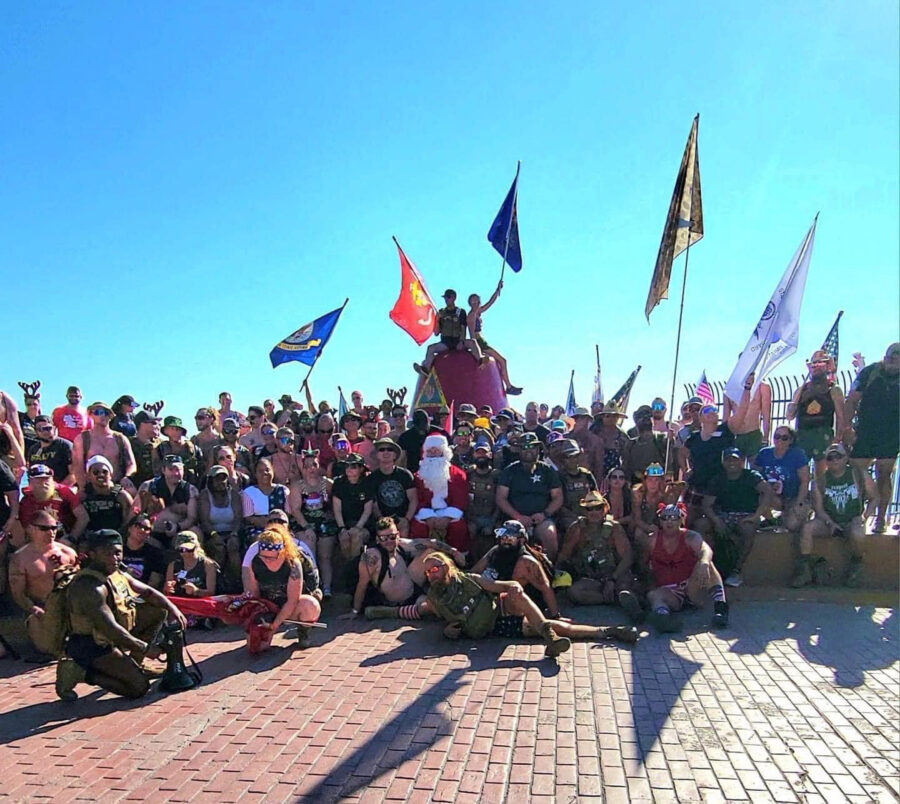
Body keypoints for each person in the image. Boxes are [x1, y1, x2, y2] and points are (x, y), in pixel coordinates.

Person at [420, 553, 637, 657]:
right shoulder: (434, 598)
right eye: (428, 572)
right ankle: (605, 632)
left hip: (501, 609)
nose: (432, 575)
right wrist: (445, 632)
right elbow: (415, 612)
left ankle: (609, 631)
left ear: (446, 566)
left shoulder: (469, 579)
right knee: (558, 627)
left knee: (517, 596)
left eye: (435, 568)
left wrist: (514, 585)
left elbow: (498, 585)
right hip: (491, 629)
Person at [57, 529, 188, 701]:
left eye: (117, 552)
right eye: (107, 554)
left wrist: (173, 608)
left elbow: (148, 592)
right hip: (91, 644)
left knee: (157, 611)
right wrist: (146, 649)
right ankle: (79, 671)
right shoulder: (89, 587)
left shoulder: (116, 572)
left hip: (109, 636)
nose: (114, 558)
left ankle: (134, 664)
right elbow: (111, 629)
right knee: (138, 688)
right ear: (93, 554)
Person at [341, 517, 465, 621]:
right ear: (378, 539)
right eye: (384, 538)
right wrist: (355, 611)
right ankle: (393, 612)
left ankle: (459, 586)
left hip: (413, 588)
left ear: (398, 535)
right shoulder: (371, 557)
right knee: (432, 608)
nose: (389, 541)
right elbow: (361, 586)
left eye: (392, 537)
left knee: (431, 553)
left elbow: (431, 542)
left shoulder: (402, 545)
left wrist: (454, 552)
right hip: (396, 600)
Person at [635, 503, 729, 633]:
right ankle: (663, 619)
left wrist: (704, 562)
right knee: (654, 595)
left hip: (692, 587)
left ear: (681, 520)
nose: (669, 521)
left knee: (707, 563)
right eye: (665, 518)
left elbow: (706, 550)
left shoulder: (691, 536)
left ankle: (721, 607)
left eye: (674, 517)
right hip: (669, 591)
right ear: (660, 522)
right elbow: (643, 564)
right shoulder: (652, 540)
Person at [794, 443, 875, 588]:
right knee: (807, 528)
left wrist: (864, 517)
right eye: (830, 457)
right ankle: (804, 570)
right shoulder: (820, 481)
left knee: (858, 533)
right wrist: (830, 524)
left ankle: (856, 565)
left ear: (846, 458)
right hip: (829, 521)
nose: (834, 460)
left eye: (838, 456)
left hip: (852, 520)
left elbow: (875, 498)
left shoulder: (858, 474)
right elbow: (819, 510)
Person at [701, 448, 778, 587]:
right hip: (723, 515)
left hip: (746, 515)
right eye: (728, 459)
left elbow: (768, 492)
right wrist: (716, 520)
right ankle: (707, 569)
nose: (731, 463)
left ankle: (736, 571)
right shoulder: (718, 479)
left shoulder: (752, 476)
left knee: (748, 529)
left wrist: (756, 516)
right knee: (701, 525)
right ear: (723, 462)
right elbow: (707, 505)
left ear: (742, 462)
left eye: (735, 459)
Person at [844, 342, 900, 532]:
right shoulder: (870, 372)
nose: (893, 362)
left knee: (884, 474)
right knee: (857, 473)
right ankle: (856, 515)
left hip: (891, 434)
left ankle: (881, 518)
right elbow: (852, 399)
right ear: (885, 358)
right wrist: (846, 427)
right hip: (865, 431)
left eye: (897, 359)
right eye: (890, 358)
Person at [8, 508, 79, 655]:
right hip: (42, 608)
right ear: (30, 529)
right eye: (44, 528)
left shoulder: (68, 553)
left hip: (70, 606)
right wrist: (32, 608)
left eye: (54, 528)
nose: (51, 532)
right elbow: (18, 593)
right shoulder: (21, 558)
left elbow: (81, 583)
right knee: (48, 649)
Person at [243, 524, 321, 650]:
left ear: (282, 552)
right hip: (267, 606)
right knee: (256, 648)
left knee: (310, 605)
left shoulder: (293, 564)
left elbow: (292, 601)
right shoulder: (254, 562)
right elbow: (253, 596)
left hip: (291, 606)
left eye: (271, 557)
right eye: (264, 556)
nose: (267, 560)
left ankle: (303, 632)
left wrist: (275, 625)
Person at [557, 492, 634, 607]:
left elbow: (628, 557)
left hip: (615, 575)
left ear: (604, 509)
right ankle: (612, 599)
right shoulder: (576, 528)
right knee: (575, 592)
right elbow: (564, 556)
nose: (593, 512)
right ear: (584, 511)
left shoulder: (615, 528)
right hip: (591, 579)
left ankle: (628, 601)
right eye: (589, 509)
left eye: (597, 508)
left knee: (626, 587)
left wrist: (613, 579)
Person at [472, 520, 561, 618]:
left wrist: (555, 615)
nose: (505, 540)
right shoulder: (495, 551)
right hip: (486, 598)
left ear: (521, 540)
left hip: (512, 609)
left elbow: (546, 588)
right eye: (503, 536)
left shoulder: (526, 562)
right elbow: (473, 572)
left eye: (510, 537)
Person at [496, 432, 563, 560]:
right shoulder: (510, 471)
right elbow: (500, 498)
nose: (529, 450)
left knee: (549, 534)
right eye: (524, 447)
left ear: (538, 449)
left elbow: (558, 497)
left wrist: (545, 514)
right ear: (519, 450)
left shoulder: (548, 471)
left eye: (532, 447)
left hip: (542, 518)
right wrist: (518, 517)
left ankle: (550, 570)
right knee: (508, 539)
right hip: (515, 519)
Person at [787, 350, 846, 480]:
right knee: (800, 474)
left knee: (822, 476)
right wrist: (795, 401)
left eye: (820, 363)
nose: (816, 367)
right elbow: (790, 416)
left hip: (823, 435)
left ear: (827, 366)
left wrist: (837, 439)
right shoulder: (801, 389)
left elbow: (841, 417)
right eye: (814, 363)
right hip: (803, 434)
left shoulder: (833, 389)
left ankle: (819, 498)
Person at [410, 434, 470, 552]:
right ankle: (420, 559)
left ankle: (458, 557)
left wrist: (447, 517)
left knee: (458, 528)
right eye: (430, 449)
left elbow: (460, 499)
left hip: (449, 513)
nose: (433, 452)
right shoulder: (419, 475)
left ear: (443, 451)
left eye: (436, 449)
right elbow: (418, 499)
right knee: (419, 528)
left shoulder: (457, 474)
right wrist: (428, 517)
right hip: (427, 513)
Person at [291, 451, 338, 598]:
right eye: (307, 466)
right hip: (304, 522)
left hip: (325, 522)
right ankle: (313, 587)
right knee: (309, 554)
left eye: (314, 465)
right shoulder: (297, 486)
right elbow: (295, 510)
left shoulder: (328, 484)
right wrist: (306, 527)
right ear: (303, 469)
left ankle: (327, 588)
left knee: (325, 556)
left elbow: (334, 504)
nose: (311, 469)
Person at [752, 425, 811, 535]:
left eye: (784, 438)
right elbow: (755, 476)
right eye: (777, 436)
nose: (779, 440)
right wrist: (768, 485)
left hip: (794, 496)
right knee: (759, 494)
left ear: (791, 440)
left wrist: (799, 503)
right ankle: (771, 520)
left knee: (792, 525)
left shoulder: (798, 454)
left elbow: (805, 481)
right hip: (773, 497)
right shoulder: (764, 453)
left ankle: (787, 517)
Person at [466, 285, 522, 395]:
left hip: (482, 341)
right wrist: (477, 349)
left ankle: (508, 384)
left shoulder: (478, 312)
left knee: (501, 361)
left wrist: (497, 291)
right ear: (470, 304)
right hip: (479, 342)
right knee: (502, 360)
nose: (476, 304)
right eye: (474, 302)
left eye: (478, 302)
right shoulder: (472, 315)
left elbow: (490, 303)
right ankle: (509, 386)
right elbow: (472, 334)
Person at [136, 454, 200, 547]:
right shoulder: (148, 486)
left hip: (178, 533)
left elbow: (192, 518)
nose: (175, 473)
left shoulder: (190, 490)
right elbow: (136, 513)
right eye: (171, 469)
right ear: (163, 470)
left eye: (178, 469)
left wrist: (177, 526)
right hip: (151, 533)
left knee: (196, 531)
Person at [71, 401, 137, 490]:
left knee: (131, 493)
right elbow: (77, 467)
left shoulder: (120, 438)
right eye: (98, 412)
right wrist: (83, 488)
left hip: (116, 485)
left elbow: (131, 464)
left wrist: (126, 477)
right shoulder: (82, 438)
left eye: (106, 413)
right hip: (92, 487)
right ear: (91, 415)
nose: (103, 415)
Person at [70, 456, 134, 547]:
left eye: (105, 472)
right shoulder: (83, 496)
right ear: (89, 476)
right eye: (96, 472)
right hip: (91, 540)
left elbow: (129, 521)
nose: (101, 475)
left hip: (115, 540)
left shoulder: (121, 495)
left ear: (111, 475)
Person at [17, 463, 86, 540]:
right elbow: (27, 529)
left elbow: (83, 517)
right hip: (39, 541)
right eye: (39, 480)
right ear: (30, 483)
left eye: (47, 479)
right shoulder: (26, 502)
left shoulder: (65, 492)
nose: (44, 483)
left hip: (66, 538)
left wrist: (71, 538)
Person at [368, 438, 417, 537]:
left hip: (404, 518)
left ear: (395, 455)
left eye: (390, 449)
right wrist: (382, 520)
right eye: (382, 450)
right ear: (377, 455)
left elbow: (413, 499)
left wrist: (406, 519)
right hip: (382, 520)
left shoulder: (405, 475)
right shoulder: (372, 478)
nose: (386, 452)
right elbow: (374, 504)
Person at [414, 289, 470, 377]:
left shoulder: (460, 312)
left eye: (448, 297)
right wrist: (437, 319)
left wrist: (462, 341)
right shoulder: (441, 313)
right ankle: (426, 369)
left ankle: (480, 361)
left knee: (472, 344)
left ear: (454, 298)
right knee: (430, 349)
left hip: (457, 340)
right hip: (446, 342)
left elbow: (463, 328)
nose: (446, 300)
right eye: (445, 298)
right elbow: (436, 332)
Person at [198, 465, 243, 570]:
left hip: (231, 533)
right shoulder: (204, 495)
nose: (221, 482)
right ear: (210, 480)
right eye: (217, 479)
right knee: (219, 549)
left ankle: (235, 581)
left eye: (224, 478)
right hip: (211, 534)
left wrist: (234, 534)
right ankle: (217, 581)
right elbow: (205, 521)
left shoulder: (234, 495)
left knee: (233, 547)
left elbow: (238, 519)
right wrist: (214, 535)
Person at [332, 453, 374, 562]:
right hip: (344, 523)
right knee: (344, 538)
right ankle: (348, 570)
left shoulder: (368, 483)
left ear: (361, 469)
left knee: (357, 537)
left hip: (364, 525)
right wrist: (342, 529)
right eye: (347, 466)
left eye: (353, 467)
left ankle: (355, 569)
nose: (349, 469)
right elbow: (337, 509)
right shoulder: (339, 483)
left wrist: (357, 527)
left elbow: (367, 510)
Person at [466, 439, 500, 561]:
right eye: (478, 452)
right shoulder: (468, 474)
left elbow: (500, 501)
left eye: (484, 452)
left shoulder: (497, 476)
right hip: (473, 517)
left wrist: (492, 523)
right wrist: (470, 520)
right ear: (474, 455)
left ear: (490, 455)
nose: (481, 455)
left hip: (491, 517)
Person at [241, 457, 290, 541]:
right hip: (257, 529)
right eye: (260, 471)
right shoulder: (249, 492)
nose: (265, 473)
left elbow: (288, 513)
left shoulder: (283, 490)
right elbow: (249, 517)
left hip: (280, 526)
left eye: (267, 470)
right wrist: (266, 523)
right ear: (255, 474)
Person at [556, 440, 599, 534]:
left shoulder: (587, 475)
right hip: (568, 517)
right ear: (562, 459)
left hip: (589, 515)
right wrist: (575, 517)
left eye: (574, 456)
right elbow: (559, 504)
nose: (572, 460)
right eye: (568, 457)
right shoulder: (559, 477)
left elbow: (596, 498)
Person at [724, 380, 772, 461]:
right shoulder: (730, 388)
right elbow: (726, 416)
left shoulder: (762, 386)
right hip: (736, 434)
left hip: (753, 433)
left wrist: (766, 437)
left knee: (756, 466)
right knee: (735, 467)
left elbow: (766, 414)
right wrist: (724, 437)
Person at [165, 531, 218, 600]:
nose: (185, 552)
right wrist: (168, 588)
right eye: (181, 549)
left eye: (189, 549)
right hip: (180, 602)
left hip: (200, 603)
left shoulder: (208, 565)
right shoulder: (173, 566)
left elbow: (211, 592)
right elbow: (166, 591)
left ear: (196, 547)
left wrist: (196, 591)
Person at [120, 514, 166, 590]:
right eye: (138, 525)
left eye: (146, 528)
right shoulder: (118, 550)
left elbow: (154, 582)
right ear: (129, 528)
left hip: (143, 594)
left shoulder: (155, 553)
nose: (142, 530)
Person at [154, 416, 203, 486]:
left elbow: (201, 472)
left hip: (190, 488)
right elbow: (157, 472)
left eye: (178, 429)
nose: (175, 431)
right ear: (166, 431)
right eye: (172, 428)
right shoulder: (160, 449)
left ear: (182, 431)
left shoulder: (194, 450)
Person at [26, 415, 75, 485]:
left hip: (62, 489)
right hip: (40, 489)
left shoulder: (65, 446)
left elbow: (74, 475)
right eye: (41, 429)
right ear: (36, 431)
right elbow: (31, 474)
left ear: (54, 428)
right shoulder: (33, 449)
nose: (46, 432)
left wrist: (57, 489)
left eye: (49, 428)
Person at [129, 410, 162, 488]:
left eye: (159, 424)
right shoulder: (128, 444)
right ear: (142, 424)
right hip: (136, 487)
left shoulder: (161, 444)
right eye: (154, 423)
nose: (158, 426)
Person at [397, 409, 430, 474]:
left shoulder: (435, 433)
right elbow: (400, 458)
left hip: (433, 472)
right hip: (413, 473)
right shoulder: (406, 436)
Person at [604, 467, 634, 531]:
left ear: (625, 481)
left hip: (628, 531)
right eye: (614, 477)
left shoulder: (630, 497)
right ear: (609, 481)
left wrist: (616, 522)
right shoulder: (603, 500)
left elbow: (633, 517)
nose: (618, 480)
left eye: (621, 478)